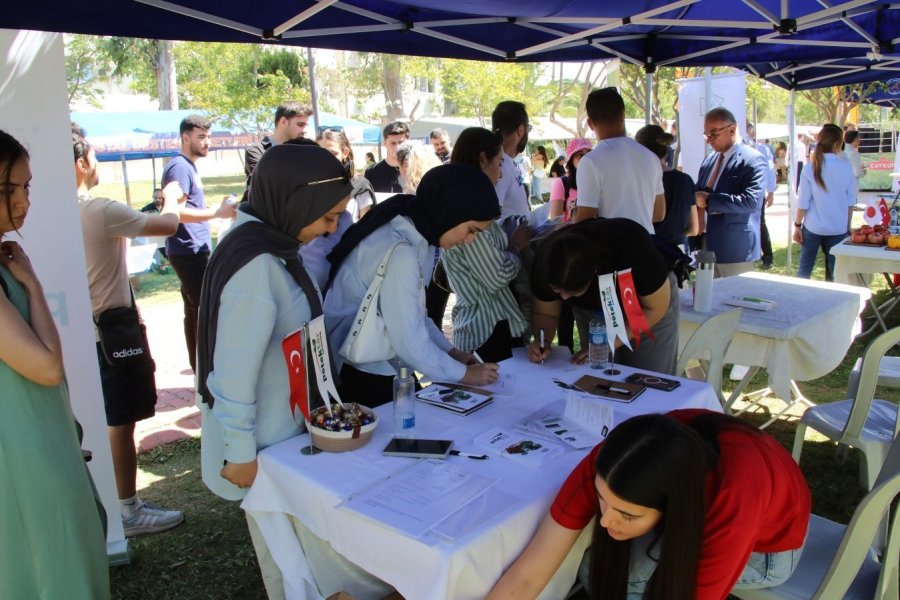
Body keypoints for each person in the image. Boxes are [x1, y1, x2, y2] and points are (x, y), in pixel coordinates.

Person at [197, 144, 392, 599]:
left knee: (302, 558)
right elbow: (232, 375)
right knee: (288, 563)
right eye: (327, 217)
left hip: (281, 438)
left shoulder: (265, 243)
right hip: (263, 449)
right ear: (295, 203)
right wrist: (240, 453)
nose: (330, 229)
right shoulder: (257, 266)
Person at [487, 410, 810, 600]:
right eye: (603, 502)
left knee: (619, 578)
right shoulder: (616, 459)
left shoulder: (734, 501)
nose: (604, 521)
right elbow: (528, 575)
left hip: (767, 550)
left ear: (674, 507)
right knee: (592, 569)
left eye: (627, 514)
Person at [0, 129, 110, 598]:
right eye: (11, 189)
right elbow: (46, 368)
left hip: (38, 435)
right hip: (22, 450)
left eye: (27, 187)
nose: (24, 201)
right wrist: (34, 287)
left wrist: (28, 282)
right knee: (50, 564)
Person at [73, 124, 185, 536]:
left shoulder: (53, 212)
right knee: (120, 421)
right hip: (110, 332)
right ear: (83, 162)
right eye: (96, 156)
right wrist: (172, 196)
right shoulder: (97, 210)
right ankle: (128, 508)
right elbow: (168, 225)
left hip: (79, 332)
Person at [325, 165, 502, 407]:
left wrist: (450, 353)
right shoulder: (403, 252)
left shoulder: (418, 236)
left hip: (382, 367)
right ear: (451, 211)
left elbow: (416, 315)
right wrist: (465, 375)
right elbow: (409, 342)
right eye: (471, 230)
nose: (469, 241)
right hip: (361, 374)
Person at [528, 218, 679, 374]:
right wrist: (543, 340)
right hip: (595, 312)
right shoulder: (546, 261)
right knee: (599, 376)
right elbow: (545, 312)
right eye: (557, 290)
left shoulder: (632, 246)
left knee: (648, 378)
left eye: (573, 291)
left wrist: (610, 342)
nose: (565, 298)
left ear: (593, 273)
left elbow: (654, 308)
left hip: (644, 304)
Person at [441, 127, 531, 362]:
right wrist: (514, 248)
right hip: (485, 331)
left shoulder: (468, 205)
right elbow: (495, 277)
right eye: (499, 163)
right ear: (483, 159)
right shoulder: (468, 211)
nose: (500, 174)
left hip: (489, 325)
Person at [162, 115, 237, 371]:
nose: (207, 143)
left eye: (209, 137)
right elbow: (177, 212)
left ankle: (200, 372)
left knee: (195, 311)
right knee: (204, 311)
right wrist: (217, 213)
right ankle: (204, 373)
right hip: (188, 250)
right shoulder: (180, 167)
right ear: (185, 137)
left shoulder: (187, 166)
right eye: (201, 137)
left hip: (192, 248)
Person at [574, 87, 665, 232]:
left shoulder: (591, 162)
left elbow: (585, 222)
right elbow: (658, 214)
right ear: (623, 114)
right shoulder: (651, 158)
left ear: (590, 123)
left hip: (611, 249)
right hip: (647, 247)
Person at [695, 108, 766, 278]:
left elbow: (751, 201)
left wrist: (711, 200)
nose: (709, 140)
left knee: (736, 301)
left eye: (714, 133)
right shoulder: (709, 160)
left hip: (736, 250)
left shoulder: (752, 159)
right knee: (706, 301)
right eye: (706, 134)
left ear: (732, 130)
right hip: (706, 247)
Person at [795, 124, 856, 281]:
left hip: (813, 226)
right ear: (837, 144)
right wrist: (847, 226)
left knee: (804, 269)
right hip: (837, 227)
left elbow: (803, 202)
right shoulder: (846, 167)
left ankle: (796, 299)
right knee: (836, 272)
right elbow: (850, 201)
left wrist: (797, 225)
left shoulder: (810, 167)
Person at [635, 124, 699, 265]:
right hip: (678, 256)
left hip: (649, 256)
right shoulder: (685, 180)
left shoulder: (639, 180)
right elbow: (694, 229)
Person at [244, 101, 312, 188]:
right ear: (283, 122)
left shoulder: (305, 150)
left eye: (306, 125)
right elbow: (265, 185)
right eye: (300, 124)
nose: (305, 130)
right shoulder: (256, 151)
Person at [492, 101, 531, 217]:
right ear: (521, 130)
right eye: (528, 128)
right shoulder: (499, 166)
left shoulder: (506, 162)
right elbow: (492, 217)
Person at [746, 123, 777, 270]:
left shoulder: (762, 149)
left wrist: (770, 191)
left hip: (757, 193)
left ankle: (768, 256)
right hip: (742, 193)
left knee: (760, 223)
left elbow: (770, 170)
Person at [548, 138, 592, 222]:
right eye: (580, 155)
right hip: (571, 234)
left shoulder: (597, 181)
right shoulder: (561, 183)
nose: (586, 159)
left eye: (589, 154)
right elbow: (555, 223)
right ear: (571, 160)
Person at [365, 120, 409, 193]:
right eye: (393, 143)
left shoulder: (418, 170)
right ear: (385, 143)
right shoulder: (372, 171)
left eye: (401, 143)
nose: (397, 148)